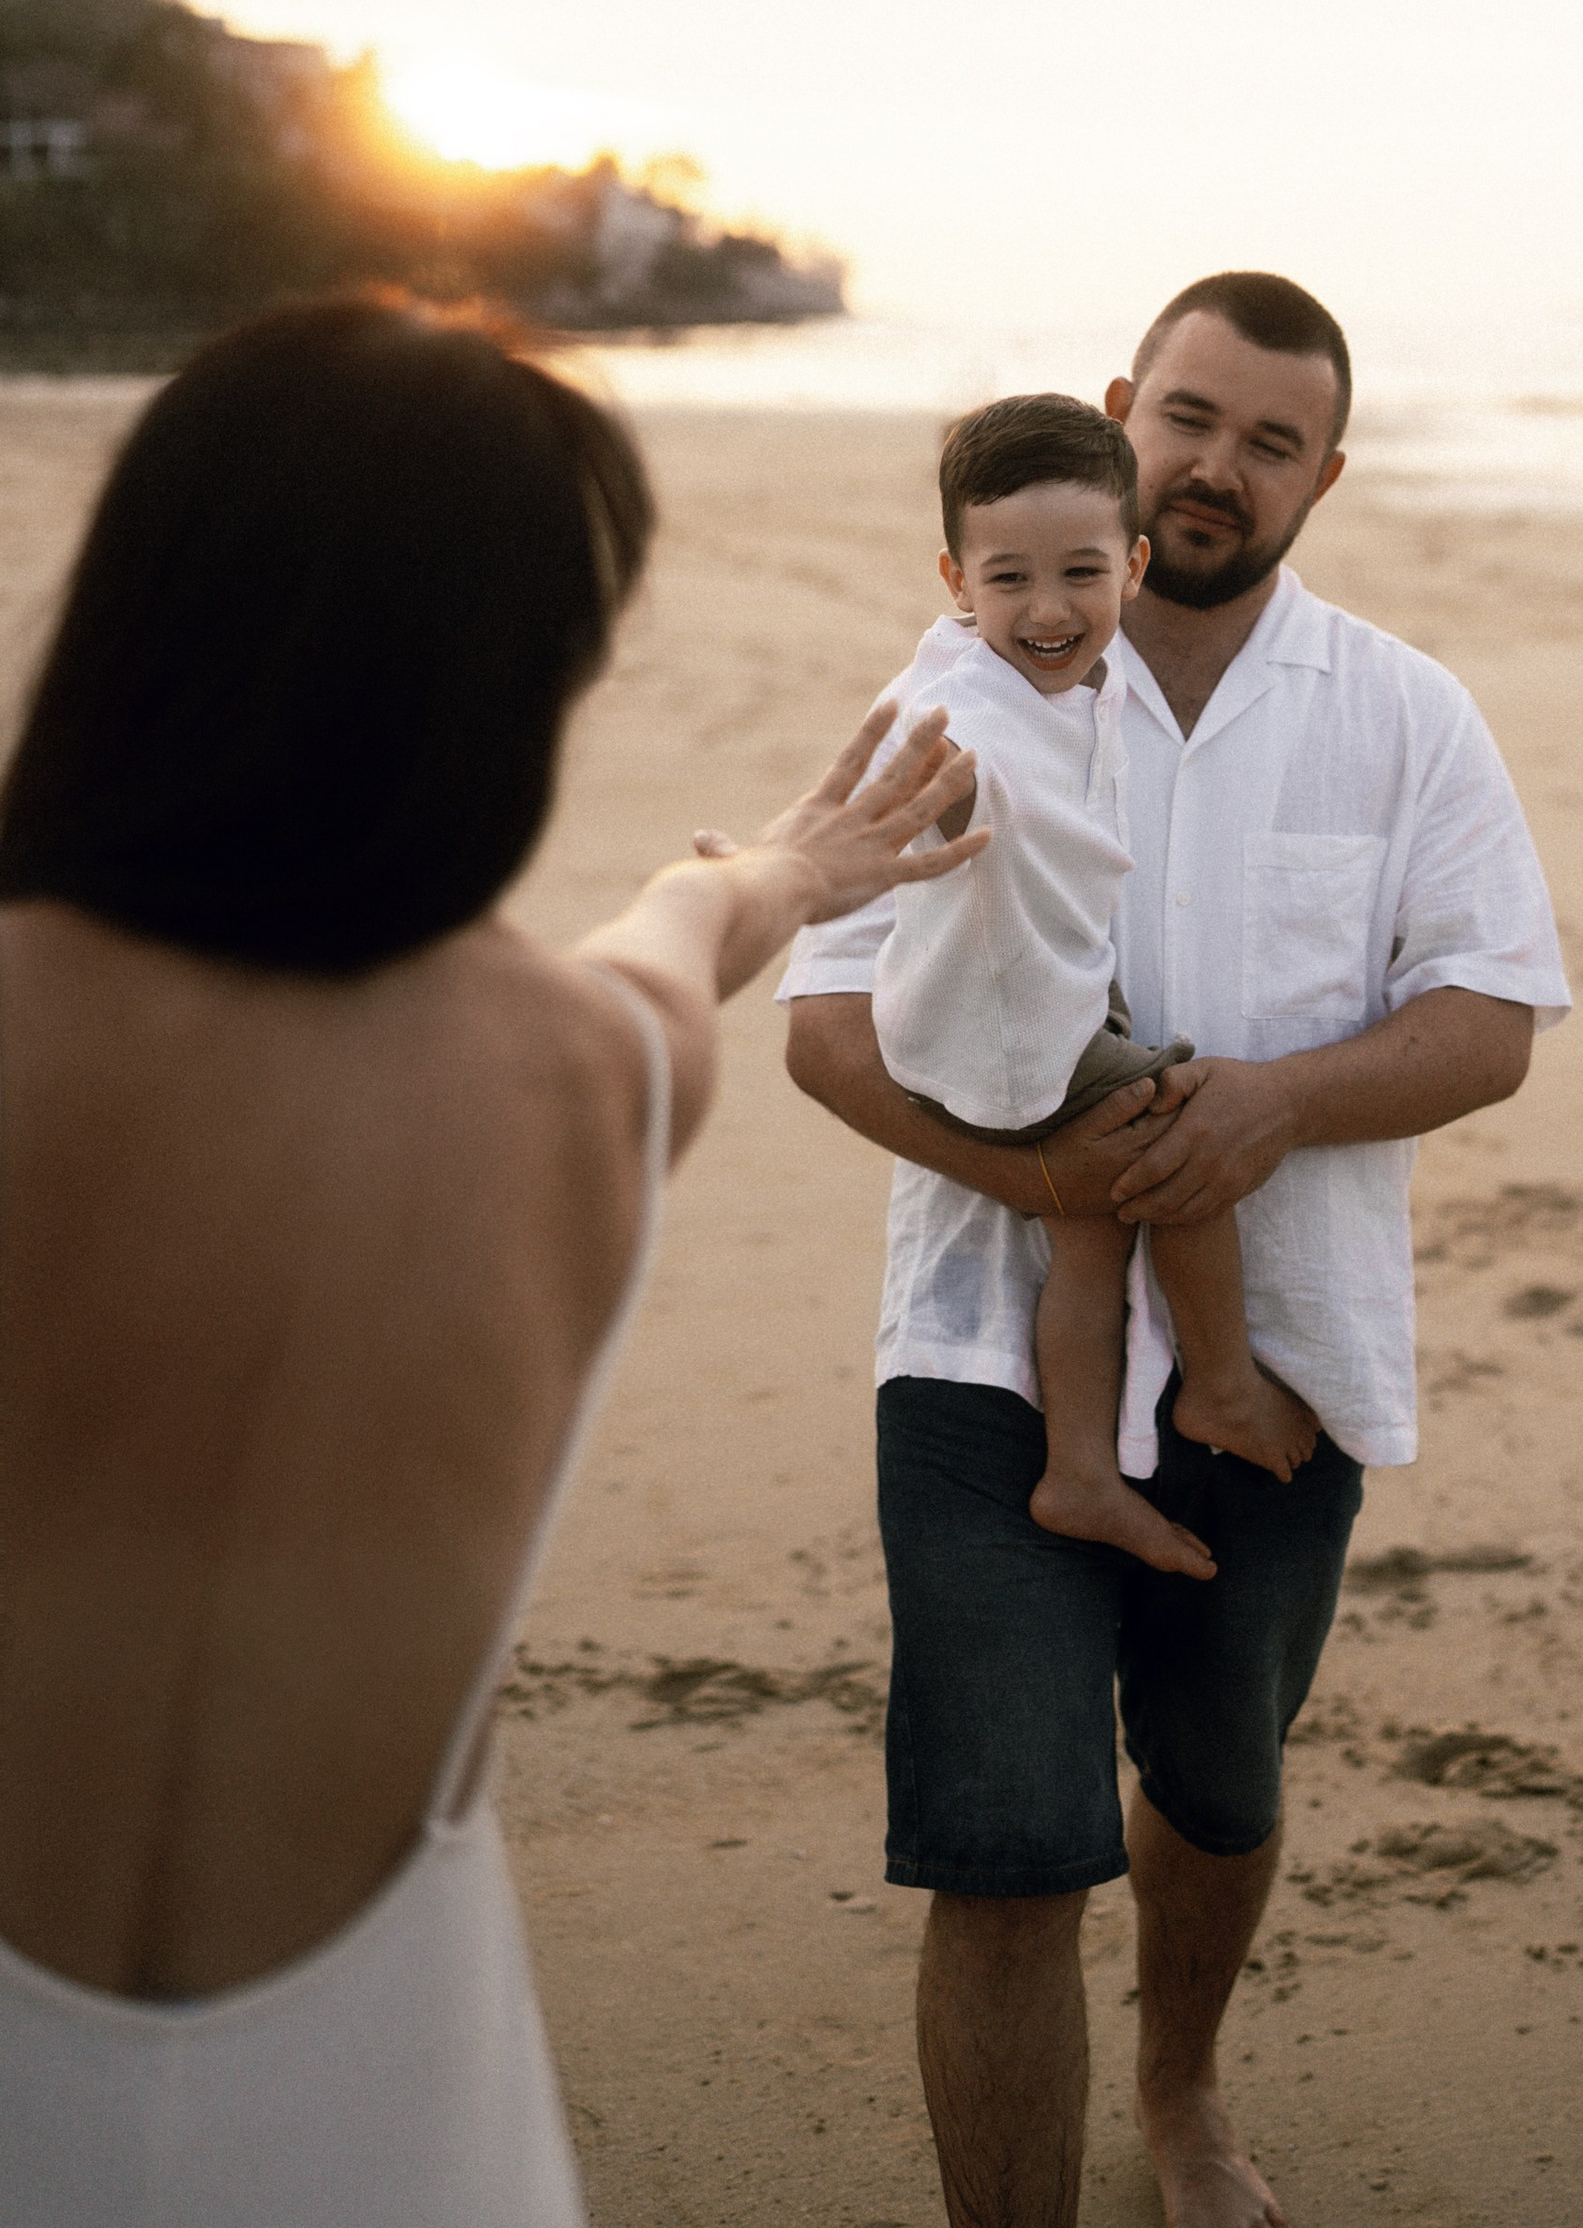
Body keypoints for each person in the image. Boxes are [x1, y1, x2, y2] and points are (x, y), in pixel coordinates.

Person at [0, 293, 988, 2228]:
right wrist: (783, 868)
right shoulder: (588, 1084)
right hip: (402, 2137)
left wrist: (758, 876)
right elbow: (673, 940)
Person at [784, 271, 1570, 2228]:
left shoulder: (1400, 713)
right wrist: (1048, 1184)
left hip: (1278, 1363)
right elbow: (819, 1025)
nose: (1219, 467)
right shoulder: (955, 683)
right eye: (1193, 418)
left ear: (1323, 470)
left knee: (1216, 1793)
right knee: (1003, 1847)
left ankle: (1183, 2098)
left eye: (1270, 441)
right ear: (1129, 407)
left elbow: (1489, 1022)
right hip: (979, 1354)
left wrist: (1278, 1102)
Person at [862, 393, 1318, 1583]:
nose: (1049, 609)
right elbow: (951, 775)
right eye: (1010, 580)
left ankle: (1078, 1471)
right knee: (1189, 1133)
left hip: (1008, 1012)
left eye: (1081, 572)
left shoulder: (1061, 681)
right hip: (1017, 1043)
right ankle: (1220, 1388)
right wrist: (903, 809)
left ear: (1135, 562)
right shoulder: (971, 711)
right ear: (958, 578)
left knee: (1085, 1238)